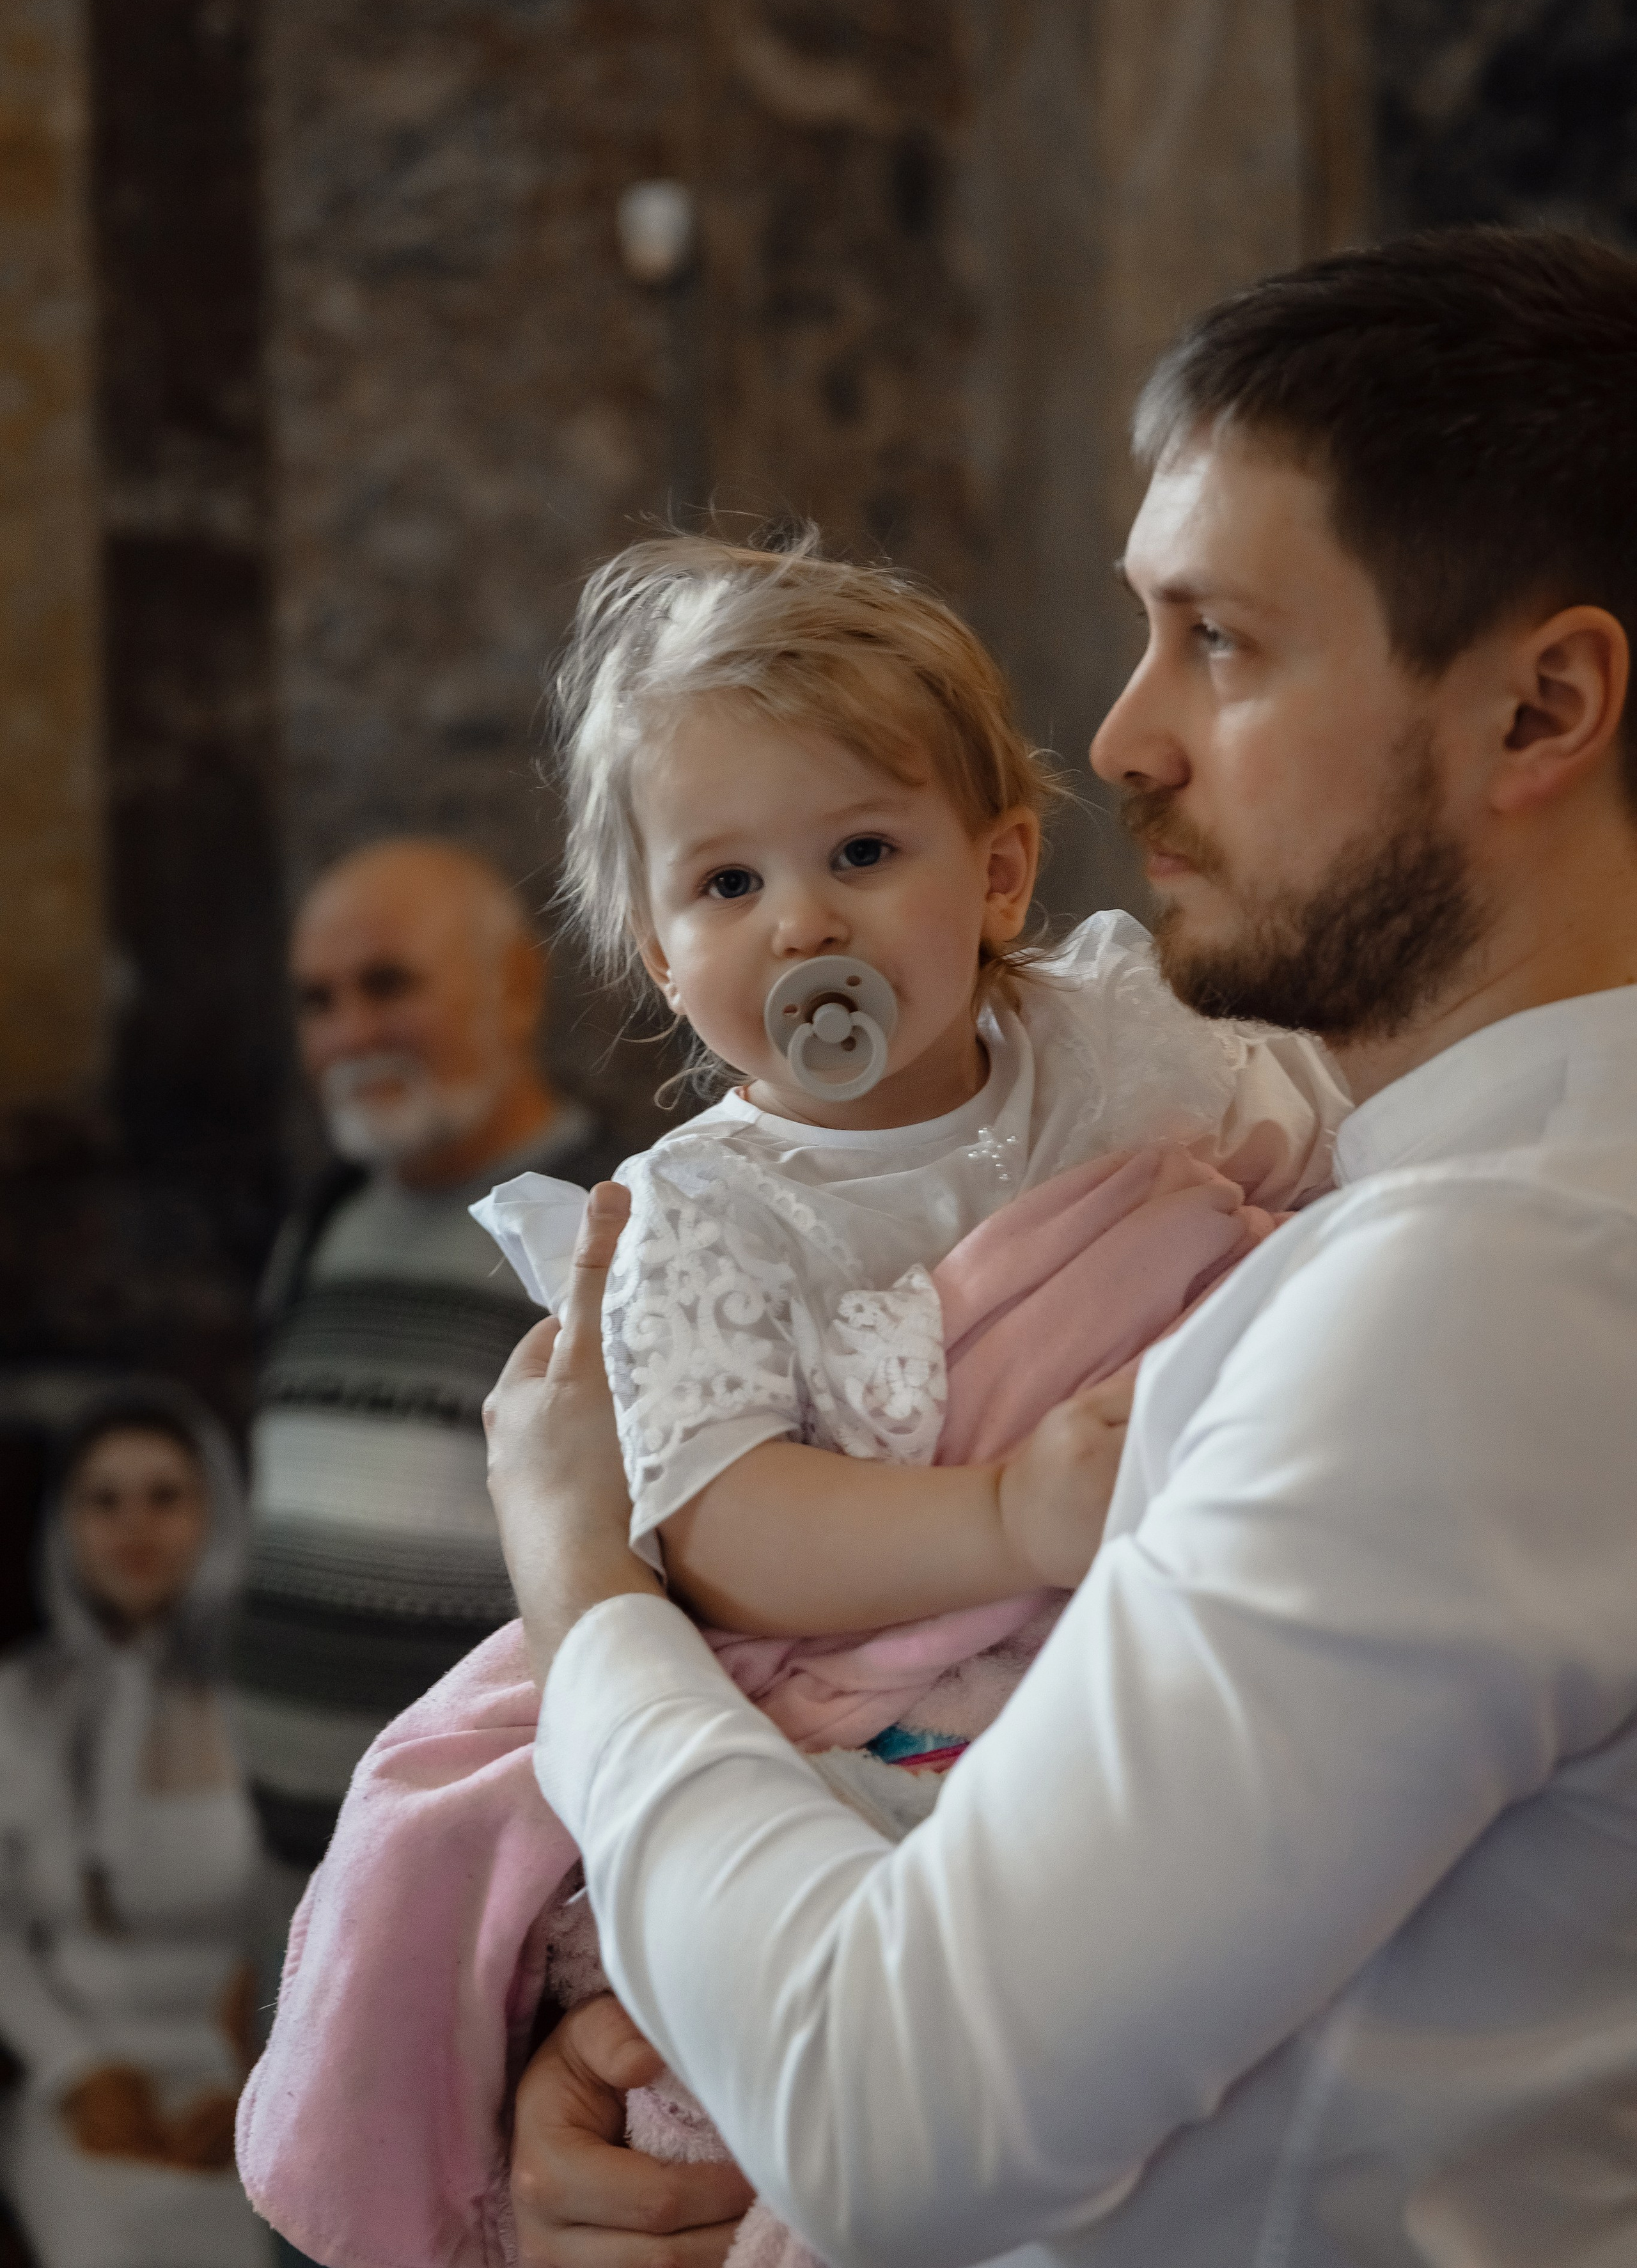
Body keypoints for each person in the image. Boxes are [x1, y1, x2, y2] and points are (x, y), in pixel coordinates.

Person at [486, 226, 1637, 2267]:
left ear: (1541, 707)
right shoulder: (1418, 1202)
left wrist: (584, 1591)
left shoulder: (1482, 1294)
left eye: (1222, 642)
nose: (1121, 739)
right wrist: (688, 2052)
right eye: (1142, 632)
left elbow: (890, 2111)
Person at [235, 541, 1349, 2268]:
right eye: (728, 883)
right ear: (660, 953)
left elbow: (1304, 1143)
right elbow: (719, 1525)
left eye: (862, 854)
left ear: (997, 875)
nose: (803, 923)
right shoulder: (701, 1216)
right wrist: (1001, 1515)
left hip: (1144, 1653)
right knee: (799, 2026)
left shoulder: (1115, 1044)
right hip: (872, 1697)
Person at [231, 839, 618, 1895]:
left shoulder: (608, 1222)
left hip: (494, 1894)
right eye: (317, 1002)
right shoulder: (319, 1225)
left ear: (517, 987)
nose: (350, 1033)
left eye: (389, 985)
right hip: (291, 1879)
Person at [0, 1386, 269, 2268]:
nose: (134, 1526)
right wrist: (75, 2070)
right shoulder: (18, 1703)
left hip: (262, 2076)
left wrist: (265, 2079)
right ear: (64, 1525)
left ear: (218, 1511)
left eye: (165, 1496)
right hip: (86, 2074)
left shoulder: (272, 1702)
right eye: (103, 1500)